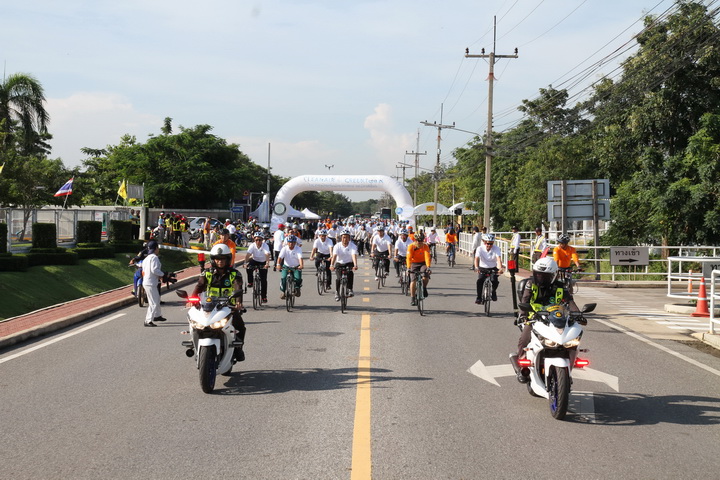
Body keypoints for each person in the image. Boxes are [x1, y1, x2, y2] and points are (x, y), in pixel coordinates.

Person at [512, 257, 577, 383]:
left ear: (553, 275)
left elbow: (570, 302)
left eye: (544, 275)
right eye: (538, 274)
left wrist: (578, 314)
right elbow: (525, 300)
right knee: (524, 339)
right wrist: (523, 315)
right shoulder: (531, 284)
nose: (540, 277)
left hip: (557, 319)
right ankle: (522, 366)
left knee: (572, 341)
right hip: (535, 318)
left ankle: (569, 366)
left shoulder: (561, 286)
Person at [192, 244, 246, 362]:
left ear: (228, 259)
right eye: (217, 259)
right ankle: (195, 346)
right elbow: (200, 285)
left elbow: (238, 287)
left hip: (229, 307)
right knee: (195, 324)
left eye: (223, 259)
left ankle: (238, 348)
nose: (220, 261)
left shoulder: (235, 273)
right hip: (209, 307)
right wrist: (192, 299)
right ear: (213, 260)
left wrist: (238, 303)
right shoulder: (207, 273)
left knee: (240, 326)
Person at [141, 240, 167, 327]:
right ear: (156, 248)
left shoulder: (146, 258)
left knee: (156, 299)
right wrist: (163, 274)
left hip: (147, 282)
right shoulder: (154, 258)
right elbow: (154, 270)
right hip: (151, 283)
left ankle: (157, 315)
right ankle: (148, 321)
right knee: (154, 302)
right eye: (157, 248)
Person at [473, 233, 504, 304]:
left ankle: (493, 291)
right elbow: (476, 258)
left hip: (493, 268)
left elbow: (498, 259)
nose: (489, 245)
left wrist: (500, 268)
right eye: (487, 243)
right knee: (480, 281)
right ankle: (479, 297)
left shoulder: (496, 248)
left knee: (494, 280)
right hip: (482, 268)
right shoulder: (480, 248)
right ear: (484, 242)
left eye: (491, 244)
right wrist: (476, 267)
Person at [329, 229, 358, 301]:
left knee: (350, 274)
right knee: (338, 278)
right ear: (341, 238)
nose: (345, 239)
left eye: (347, 237)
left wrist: (355, 265)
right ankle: (337, 292)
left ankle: (350, 289)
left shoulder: (353, 246)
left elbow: (353, 255)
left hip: (349, 263)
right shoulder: (337, 246)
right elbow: (334, 256)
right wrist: (332, 265)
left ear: (349, 238)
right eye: (344, 237)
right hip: (339, 263)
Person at [406, 231, 432, 306]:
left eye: (421, 241)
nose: (419, 242)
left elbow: (427, 257)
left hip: (423, 263)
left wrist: (428, 267)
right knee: (413, 280)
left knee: (425, 275)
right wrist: (408, 268)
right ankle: (412, 298)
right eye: (418, 241)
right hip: (413, 264)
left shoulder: (425, 246)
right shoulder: (411, 246)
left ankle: (424, 287)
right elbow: (408, 258)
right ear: (415, 240)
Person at [244, 232, 271, 304]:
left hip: (263, 262)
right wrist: (245, 263)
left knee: (263, 280)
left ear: (262, 240)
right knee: (248, 268)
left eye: (260, 240)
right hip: (254, 260)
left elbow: (267, 254)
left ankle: (263, 296)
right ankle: (250, 282)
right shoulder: (252, 245)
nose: (258, 241)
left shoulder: (265, 246)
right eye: (256, 240)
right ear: (254, 240)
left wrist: (267, 264)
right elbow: (248, 254)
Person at [275, 234, 303, 299]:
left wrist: (301, 265)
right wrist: (278, 264)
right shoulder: (284, 249)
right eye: (290, 242)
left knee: (298, 278)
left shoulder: (298, 249)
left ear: (295, 243)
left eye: (293, 242)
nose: (291, 244)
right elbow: (280, 257)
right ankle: (283, 292)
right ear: (287, 242)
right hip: (286, 266)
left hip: (296, 267)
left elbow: (300, 258)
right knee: (283, 278)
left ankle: (297, 288)